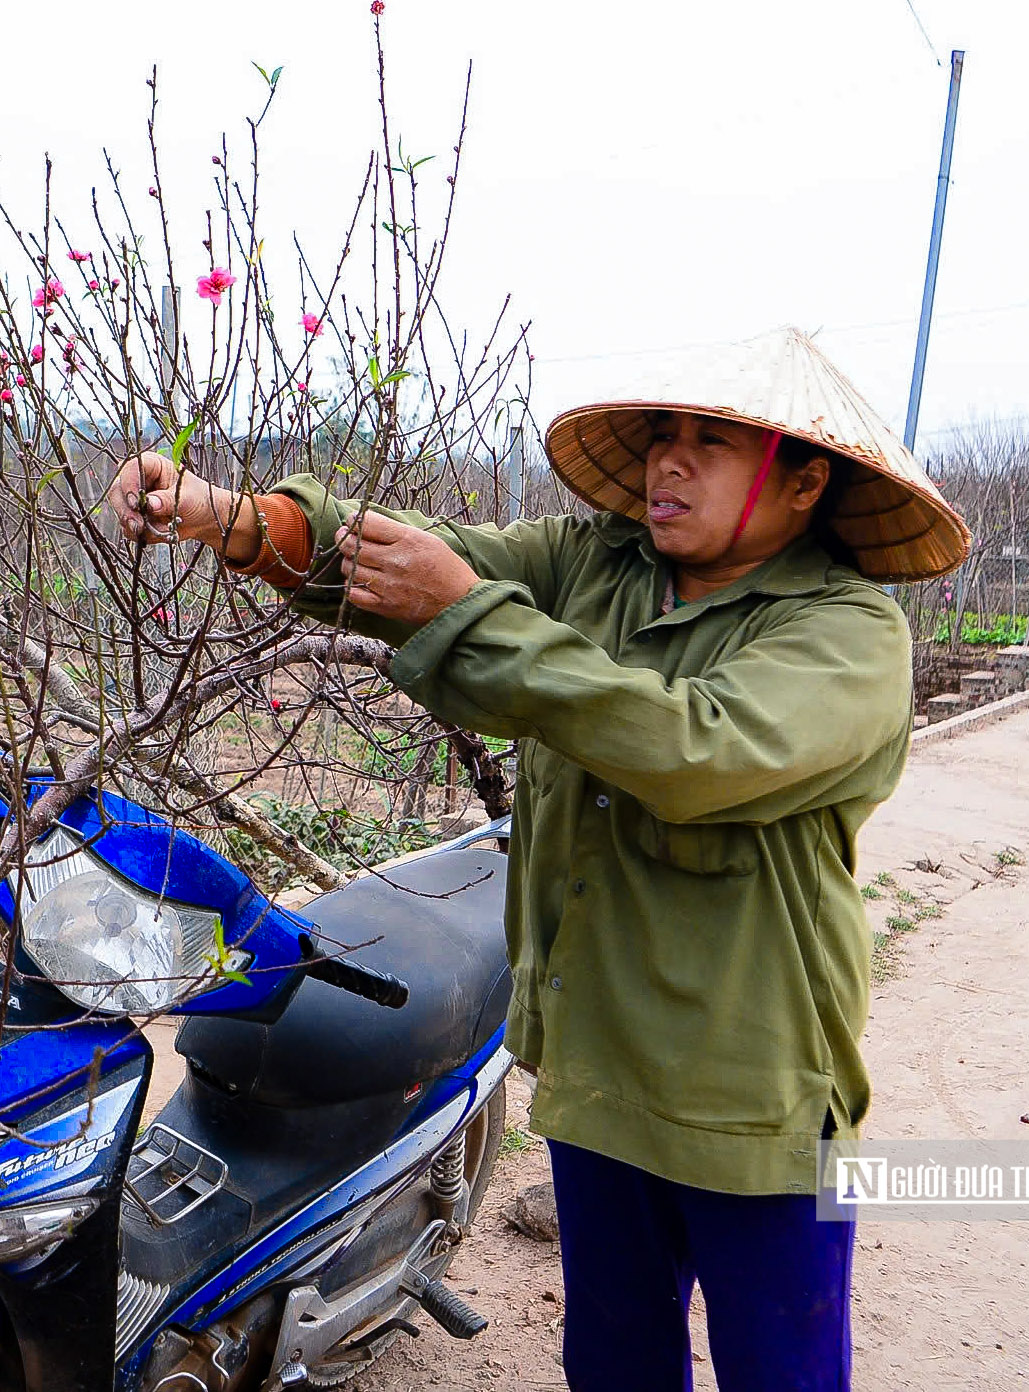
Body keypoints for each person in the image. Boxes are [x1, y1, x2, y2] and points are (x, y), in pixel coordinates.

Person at [107, 328, 970, 1392]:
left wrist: (464, 611)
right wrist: (234, 521)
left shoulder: (845, 635)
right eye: (665, 436)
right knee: (614, 1355)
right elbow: (406, 553)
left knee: (780, 1364)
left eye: (711, 442)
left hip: (753, 1092)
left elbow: (691, 746)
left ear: (803, 484)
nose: (670, 461)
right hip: (601, 1062)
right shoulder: (597, 566)